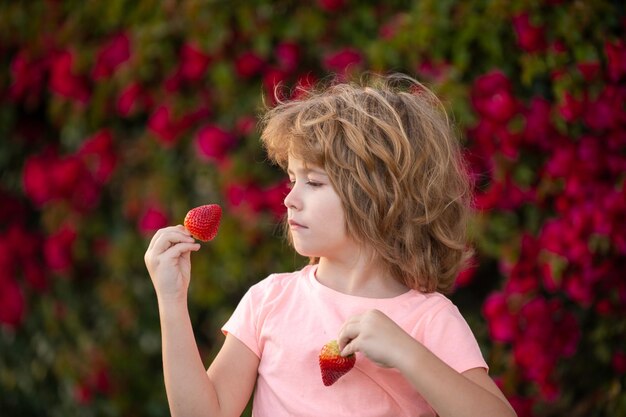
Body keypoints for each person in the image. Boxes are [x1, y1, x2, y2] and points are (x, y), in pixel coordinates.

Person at [144, 73, 517, 417]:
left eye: (314, 183)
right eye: (292, 180)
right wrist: (171, 301)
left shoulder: (430, 320)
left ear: (380, 195)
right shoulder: (269, 300)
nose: (290, 199)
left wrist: (406, 353)